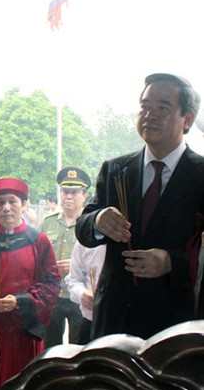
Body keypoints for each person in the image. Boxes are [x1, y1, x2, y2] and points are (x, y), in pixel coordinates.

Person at [76, 73, 204, 340]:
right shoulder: (115, 169)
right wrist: (98, 220)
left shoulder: (200, 176)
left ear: (188, 119)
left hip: (174, 322)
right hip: (113, 319)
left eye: (162, 108)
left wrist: (172, 262)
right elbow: (83, 227)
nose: (150, 115)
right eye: (145, 107)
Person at [0, 177, 60, 390]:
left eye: (13, 201)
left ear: (25, 205)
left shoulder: (38, 241)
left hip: (22, 331)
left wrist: (20, 302)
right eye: (0, 202)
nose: (6, 208)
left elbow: (51, 283)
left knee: (21, 388)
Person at [40, 166, 91, 347]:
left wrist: (75, 266)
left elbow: (98, 260)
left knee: (79, 347)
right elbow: (39, 255)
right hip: (53, 295)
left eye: (74, 192)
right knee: (51, 347)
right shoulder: (48, 222)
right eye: (64, 191)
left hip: (80, 297)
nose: (68, 196)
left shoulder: (90, 223)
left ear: (84, 195)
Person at [65, 241, 106, 344]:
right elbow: (73, 279)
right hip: (90, 322)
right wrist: (82, 294)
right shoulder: (86, 241)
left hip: (126, 326)